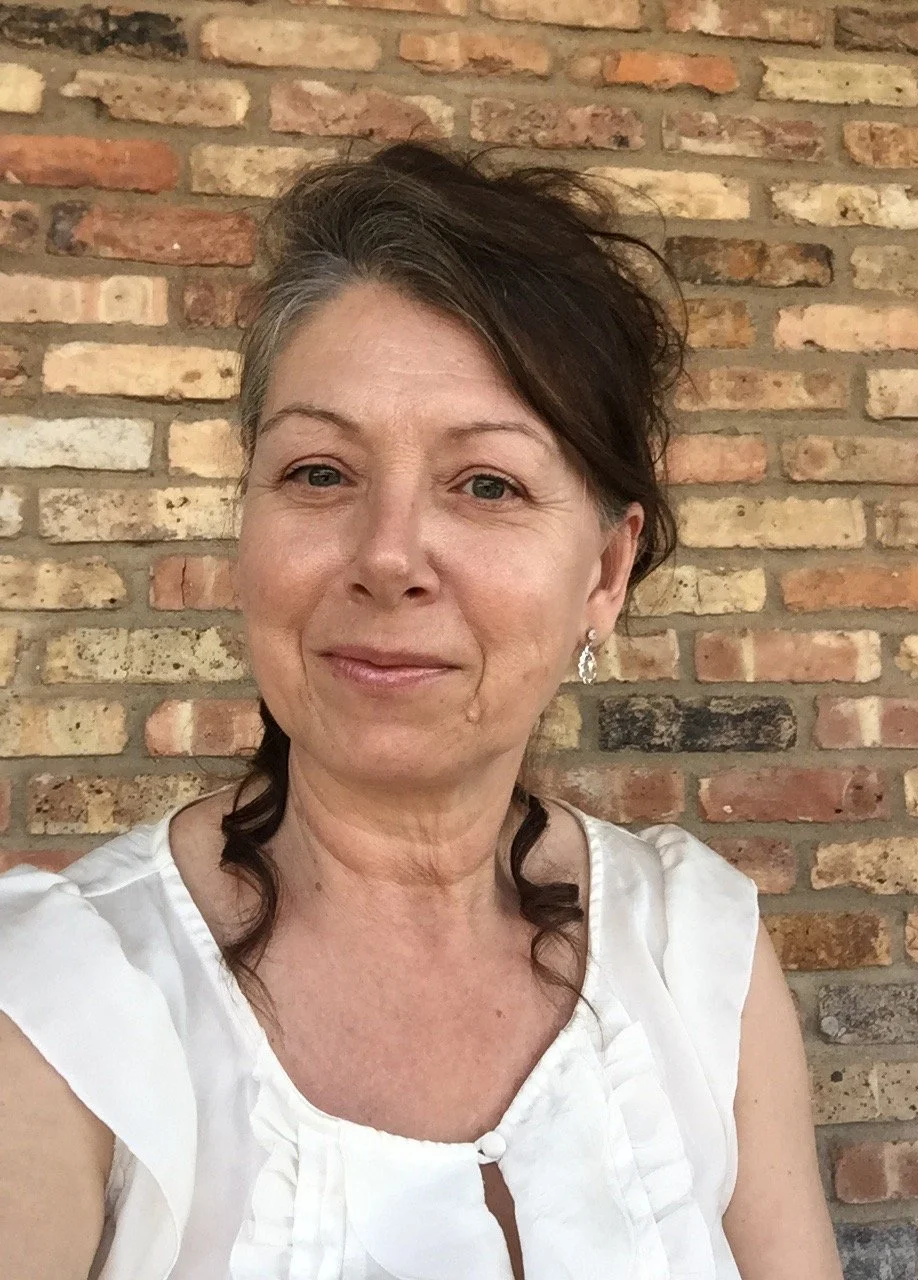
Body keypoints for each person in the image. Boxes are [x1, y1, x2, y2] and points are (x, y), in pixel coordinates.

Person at [0, 139, 844, 1280]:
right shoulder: (57, 1005)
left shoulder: (699, 959)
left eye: (486, 483)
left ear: (605, 572)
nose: (387, 555)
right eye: (320, 472)